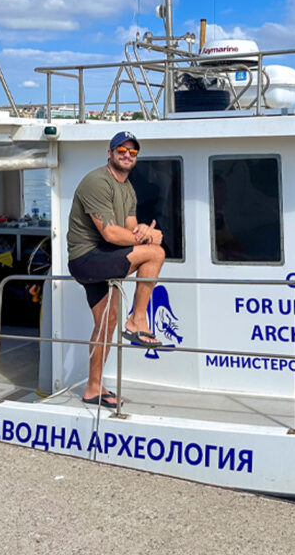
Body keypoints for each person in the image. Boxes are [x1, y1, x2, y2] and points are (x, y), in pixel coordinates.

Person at [67, 131, 165, 409]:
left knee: (107, 321)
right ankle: (137, 321)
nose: (127, 155)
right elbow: (110, 233)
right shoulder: (97, 182)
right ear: (109, 153)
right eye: (121, 149)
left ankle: (92, 388)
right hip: (87, 258)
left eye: (132, 152)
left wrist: (144, 231)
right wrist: (148, 240)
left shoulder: (127, 188)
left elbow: (130, 228)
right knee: (156, 253)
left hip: (102, 257)